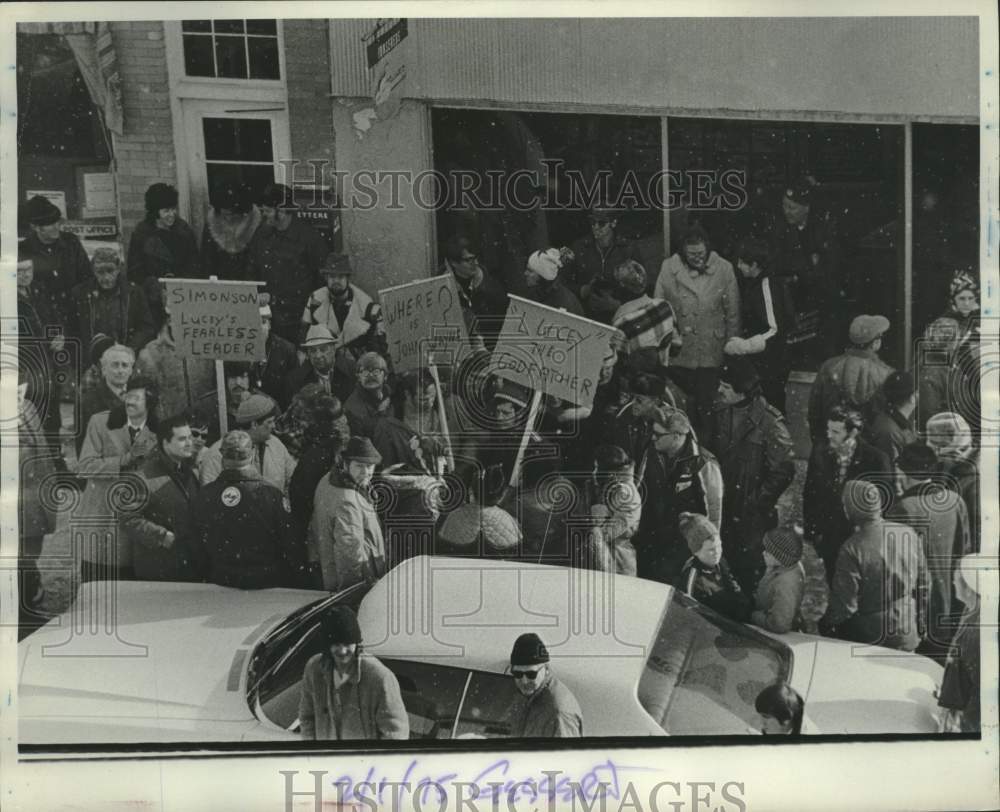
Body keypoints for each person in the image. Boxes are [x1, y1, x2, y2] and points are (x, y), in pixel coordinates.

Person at [708, 357, 795, 592]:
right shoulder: (719, 411)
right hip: (724, 506)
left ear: (742, 391)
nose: (719, 390)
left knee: (749, 573)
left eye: (726, 387)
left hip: (751, 517)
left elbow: (783, 471)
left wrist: (756, 503)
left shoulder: (770, 424)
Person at [820, 480, 927, 652]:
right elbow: (924, 583)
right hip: (906, 629)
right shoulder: (907, 532)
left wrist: (826, 624)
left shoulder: (852, 548)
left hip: (871, 637)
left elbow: (845, 605)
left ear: (851, 509)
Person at [654, 226, 741, 436]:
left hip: (710, 352)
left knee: (707, 411)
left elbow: (733, 313)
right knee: (681, 409)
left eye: (700, 254)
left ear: (708, 249)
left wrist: (732, 349)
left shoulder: (724, 269)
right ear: (683, 251)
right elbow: (658, 309)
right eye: (691, 254)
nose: (697, 258)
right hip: (680, 353)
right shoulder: (669, 267)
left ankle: (707, 454)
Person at [888, 442, 971, 653]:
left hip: (920, 608)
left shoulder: (903, 509)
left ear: (902, 471)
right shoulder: (955, 500)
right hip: (953, 600)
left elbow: (898, 566)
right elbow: (965, 549)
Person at [190, 430, 301, 589]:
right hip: (265, 585)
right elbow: (290, 545)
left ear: (222, 454)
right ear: (253, 453)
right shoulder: (272, 496)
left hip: (220, 583)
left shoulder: (205, 496)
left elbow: (196, 547)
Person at [77, 375, 160, 582]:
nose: (129, 401)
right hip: (102, 516)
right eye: (128, 396)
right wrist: (124, 460)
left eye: (137, 398)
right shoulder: (100, 422)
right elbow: (85, 466)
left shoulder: (160, 431)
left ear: (150, 402)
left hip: (134, 520)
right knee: (97, 584)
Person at [634, 406, 723, 584]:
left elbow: (714, 514)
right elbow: (637, 487)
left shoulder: (704, 463)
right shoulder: (649, 452)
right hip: (651, 540)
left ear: (676, 436)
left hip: (681, 549)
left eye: (658, 435)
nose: (653, 437)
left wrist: (706, 551)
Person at [803, 403, 891, 583]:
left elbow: (885, 502)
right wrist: (813, 531)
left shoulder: (876, 459)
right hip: (830, 535)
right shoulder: (820, 451)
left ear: (852, 433)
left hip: (860, 537)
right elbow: (810, 492)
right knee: (834, 580)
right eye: (828, 430)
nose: (829, 435)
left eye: (836, 432)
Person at [761, 175, 842, 359]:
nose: (787, 212)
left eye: (792, 208)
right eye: (784, 206)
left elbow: (829, 265)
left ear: (806, 208)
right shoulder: (779, 229)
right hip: (792, 300)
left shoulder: (822, 228)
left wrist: (806, 270)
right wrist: (807, 266)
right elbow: (777, 262)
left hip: (820, 301)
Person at [298, 606, 409, 741]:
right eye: (336, 644)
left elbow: (395, 734)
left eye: (347, 643)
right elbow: (306, 718)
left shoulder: (380, 678)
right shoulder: (314, 669)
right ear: (327, 645)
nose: (343, 651)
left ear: (357, 642)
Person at [122, 413, 201, 581]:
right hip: (159, 568)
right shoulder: (142, 477)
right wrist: (162, 537)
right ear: (165, 443)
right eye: (182, 439)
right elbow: (127, 519)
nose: (189, 443)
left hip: (189, 564)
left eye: (190, 437)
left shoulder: (189, 471)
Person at [247, 183, 328, 343]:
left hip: (297, 321)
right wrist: (255, 295)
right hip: (267, 318)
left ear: (282, 211)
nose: (263, 215)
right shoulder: (261, 235)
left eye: (267, 211)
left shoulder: (309, 239)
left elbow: (321, 284)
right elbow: (251, 270)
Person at [309, 437, 387, 592]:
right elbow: (349, 556)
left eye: (369, 466)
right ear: (346, 464)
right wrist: (353, 594)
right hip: (354, 584)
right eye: (359, 466)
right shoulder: (348, 501)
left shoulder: (328, 479)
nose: (366, 472)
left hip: (327, 571)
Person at [726, 236, 792, 414]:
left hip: (772, 364)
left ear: (755, 265)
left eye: (742, 262)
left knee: (771, 411)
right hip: (762, 363)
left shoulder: (766, 285)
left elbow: (774, 329)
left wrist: (746, 345)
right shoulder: (754, 283)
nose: (738, 266)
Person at [807, 315, 894, 441]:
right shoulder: (886, 373)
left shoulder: (829, 367)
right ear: (875, 342)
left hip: (831, 445)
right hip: (869, 451)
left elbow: (814, 412)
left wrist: (820, 444)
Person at [17, 367, 58, 625]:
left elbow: (42, 455)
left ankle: (29, 603)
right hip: (15, 505)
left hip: (35, 504)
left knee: (30, 558)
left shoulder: (28, 408)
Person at [126, 183, 200, 319]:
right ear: (155, 212)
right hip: (152, 300)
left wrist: (180, 286)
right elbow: (135, 271)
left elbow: (194, 264)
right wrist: (156, 288)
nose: (171, 215)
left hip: (182, 297)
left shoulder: (184, 231)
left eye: (173, 209)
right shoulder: (141, 234)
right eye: (166, 211)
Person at [199, 393, 296, 495]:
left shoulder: (276, 445)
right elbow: (210, 495)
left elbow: (292, 478)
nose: (273, 426)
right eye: (269, 422)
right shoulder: (217, 454)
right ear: (254, 424)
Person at [15, 245, 65, 443]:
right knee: (30, 415)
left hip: (48, 362)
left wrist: (58, 336)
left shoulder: (38, 290)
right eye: (19, 271)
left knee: (52, 414)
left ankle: (55, 458)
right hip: (24, 365)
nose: (25, 275)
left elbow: (53, 317)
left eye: (28, 270)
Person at [68, 247, 156, 356]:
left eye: (110, 271)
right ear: (93, 271)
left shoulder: (134, 293)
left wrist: (130, 348)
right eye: (100, 272)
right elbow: (71, 328)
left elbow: (147, 327)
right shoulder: (80, 293)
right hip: (90, 357)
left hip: (124, 357)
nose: (106, 277)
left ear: (118, 269)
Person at [301, 252, 385, 365]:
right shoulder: (315, 300)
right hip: (324, 363)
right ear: (326, 278)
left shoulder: (366, 307)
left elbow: (376, 348)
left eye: (340, 277)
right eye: (332, 276)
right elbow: (304, 334)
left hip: (356, 365)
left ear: (348, 279)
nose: (336, 281)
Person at [564, 204, 643, 322]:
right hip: (587, 316)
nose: (595, 227)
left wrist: (618, 305)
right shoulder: (579, 247)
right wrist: (583, 290)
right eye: (592, 221)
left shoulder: (628, 249)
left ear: (613, 223)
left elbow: (641, 288)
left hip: (621, 318)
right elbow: (563, 283)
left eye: (601, 223)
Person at [19, 194, 91, 323]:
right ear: (35, 227)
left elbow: (87, 276)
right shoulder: (24, 250)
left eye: (57, 221)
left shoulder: (71, 242)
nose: (57, 226)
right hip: (42, 320)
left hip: (74, 316)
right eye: (50, 224)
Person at [136, 311, 216, 421]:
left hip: (205, 425)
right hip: (168, 429)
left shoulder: (209, 348)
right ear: (170, 321)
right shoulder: (150, 354)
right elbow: (140, 399)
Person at [502, 633, 583, 738]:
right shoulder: (526, 693)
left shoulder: (559, 713)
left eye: (531, 674)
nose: (524, 681)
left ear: (546, 669)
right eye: (518, 674)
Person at [676, 513, 752, 622]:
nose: (717, 552)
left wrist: (745, 609)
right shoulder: (692, 577)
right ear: (696, 552)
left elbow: (733, 586)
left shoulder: (720, 561)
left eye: (719, 545)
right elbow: (692, 615)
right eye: (710, 550)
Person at [937, 554, 983, 733]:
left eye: (956, 579)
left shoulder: (975, 631)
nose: (953, 583)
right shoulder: (971, 609)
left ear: (970, 589)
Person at [580, 445, 642, 576]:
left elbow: (610, 531)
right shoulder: (608, 487)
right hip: (606, 555)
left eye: (597, 468)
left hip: (618, 560)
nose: (594, 472)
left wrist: (591, 528)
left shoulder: (625, 493)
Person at [441, 233, 508, 350]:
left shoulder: (492, 289)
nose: (475, 263)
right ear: (453, 263)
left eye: (475, 258)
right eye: (469, 260)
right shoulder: (441, 286)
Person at [926, 412, 980, 554]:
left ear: (956, 451)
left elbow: (977, 536)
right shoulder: (950, 465)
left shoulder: (976, 483)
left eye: (939, 454)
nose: (936, 458)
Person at [940, 269, 981, 438]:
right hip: (953, 381)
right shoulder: (945, 323)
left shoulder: (978, 321)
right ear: (953, 301)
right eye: (962, 298)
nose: (966, 303)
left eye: (971, 298)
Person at [78, 343, 135, 453]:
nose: (120, 370)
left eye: (125, 365)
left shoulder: (141, 396)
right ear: (104, 370)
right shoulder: (88, 402)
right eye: (115, 365)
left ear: (131, 370)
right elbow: (84, 452)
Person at [200, 181, 261, 281]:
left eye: (230, 214)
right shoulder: (211, 224)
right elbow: (207, 260)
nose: (226, 218)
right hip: (220, 287)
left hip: (248, 286)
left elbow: (257, 262)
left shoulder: (254, 225)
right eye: (223, 214)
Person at [751, 526, 806, 634]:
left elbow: (779, 624)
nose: (763, 553)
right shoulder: (782, 566)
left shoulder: (786, 583)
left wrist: (753, 616)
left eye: (768, 551)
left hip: (782, 637)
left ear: (780, 557)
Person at [283, 325, 354, 407]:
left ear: (334, 349)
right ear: (308, 354)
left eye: (323, 349)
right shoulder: (294, 380)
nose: (318, 355)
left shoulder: (352, 370)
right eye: (313, 350)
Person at [916, 317, 961, 430]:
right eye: (958, 338)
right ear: (951, 342)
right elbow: (929, 415)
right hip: (944, 437)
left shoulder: (949, 364)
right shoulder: (932, 371)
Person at [250, 304, 300, 406]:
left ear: (269, 325)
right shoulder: (239, 349)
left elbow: (293, 387)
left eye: (263, 322)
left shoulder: (287, 350)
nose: (258, 328)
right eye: (254, 323)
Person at [867, 370, 918, 468]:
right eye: (917, 392)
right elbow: (890, 471)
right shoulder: (889, 431)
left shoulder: (893, 419)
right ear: (912, 397)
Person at [523, 248, 584, 316]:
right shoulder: (533, 293)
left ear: (542, 276)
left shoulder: (564, 303)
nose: (525, 273)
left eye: (530, 271)